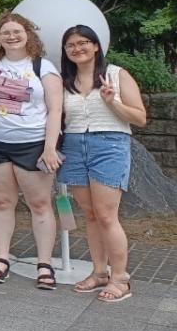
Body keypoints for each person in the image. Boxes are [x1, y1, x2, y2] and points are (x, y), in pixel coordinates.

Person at [0, 13, 63, 289]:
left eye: (17, 31)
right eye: (5, 32)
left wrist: (50, 147)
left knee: (40, 204)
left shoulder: (42, 67)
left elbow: (56, 109)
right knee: (2, 201)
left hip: (33, 144)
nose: (11, 36)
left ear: (28, 34)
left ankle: (44, 264)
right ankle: (1, 258)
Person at [58, 25, 147, 302]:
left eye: (84, 42)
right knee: (91, 214)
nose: (78, 48)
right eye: (71, 44)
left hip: (109, 144)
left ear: (96, 46)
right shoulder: (64, 81)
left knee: (107, 215)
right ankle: (99, 272)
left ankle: (120, 278)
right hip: (73, 145)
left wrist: (113, 103)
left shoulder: (116, 74)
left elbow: (140, 118)